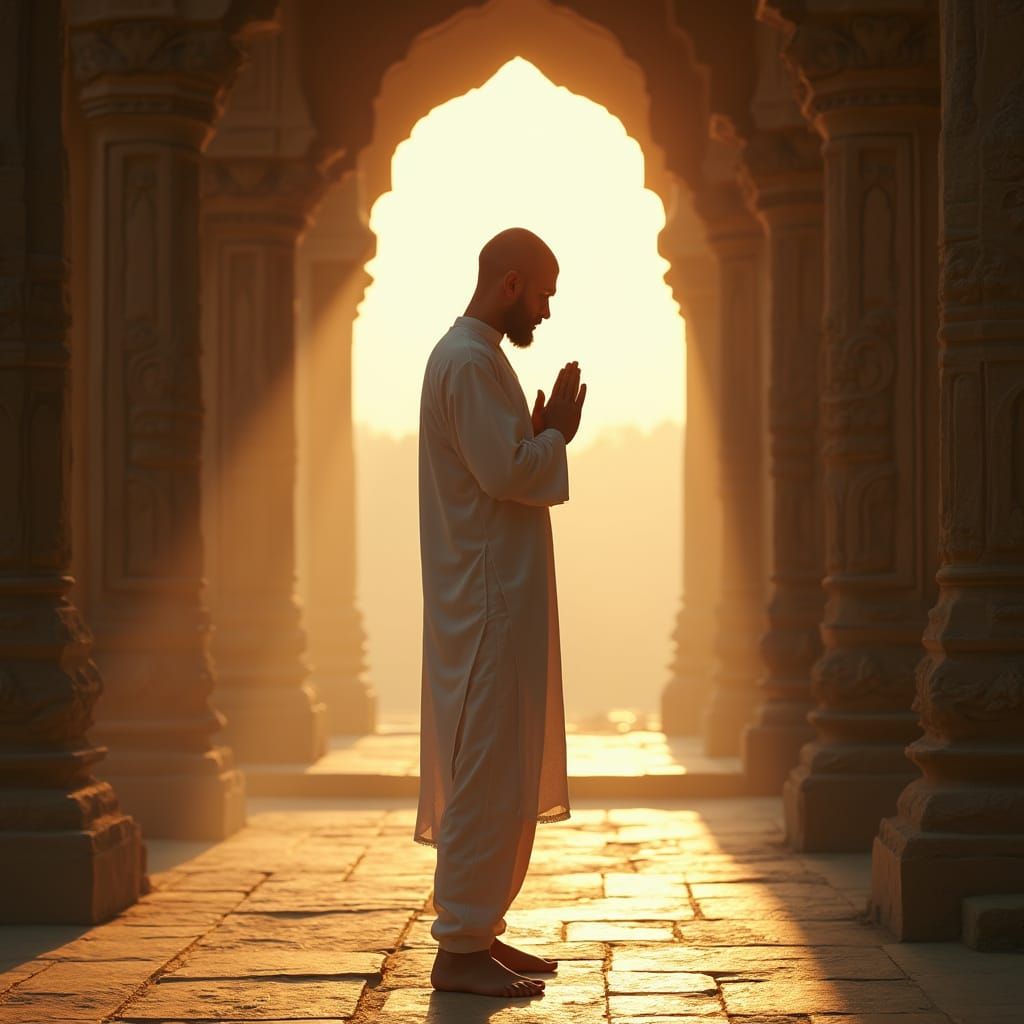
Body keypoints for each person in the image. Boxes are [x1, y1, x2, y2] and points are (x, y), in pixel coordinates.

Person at [415, 227, 586, 998]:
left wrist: (541, 435)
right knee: (486, 774)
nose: (545, 311)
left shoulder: (479, 358)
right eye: (543, 294)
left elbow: (506, 461)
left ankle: (480, 930)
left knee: (505, 767)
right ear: (512, 283)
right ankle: (459, 948)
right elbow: (503, 472)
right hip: (485, 603)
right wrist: (554, 436)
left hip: (498, 598)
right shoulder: (467, 361)